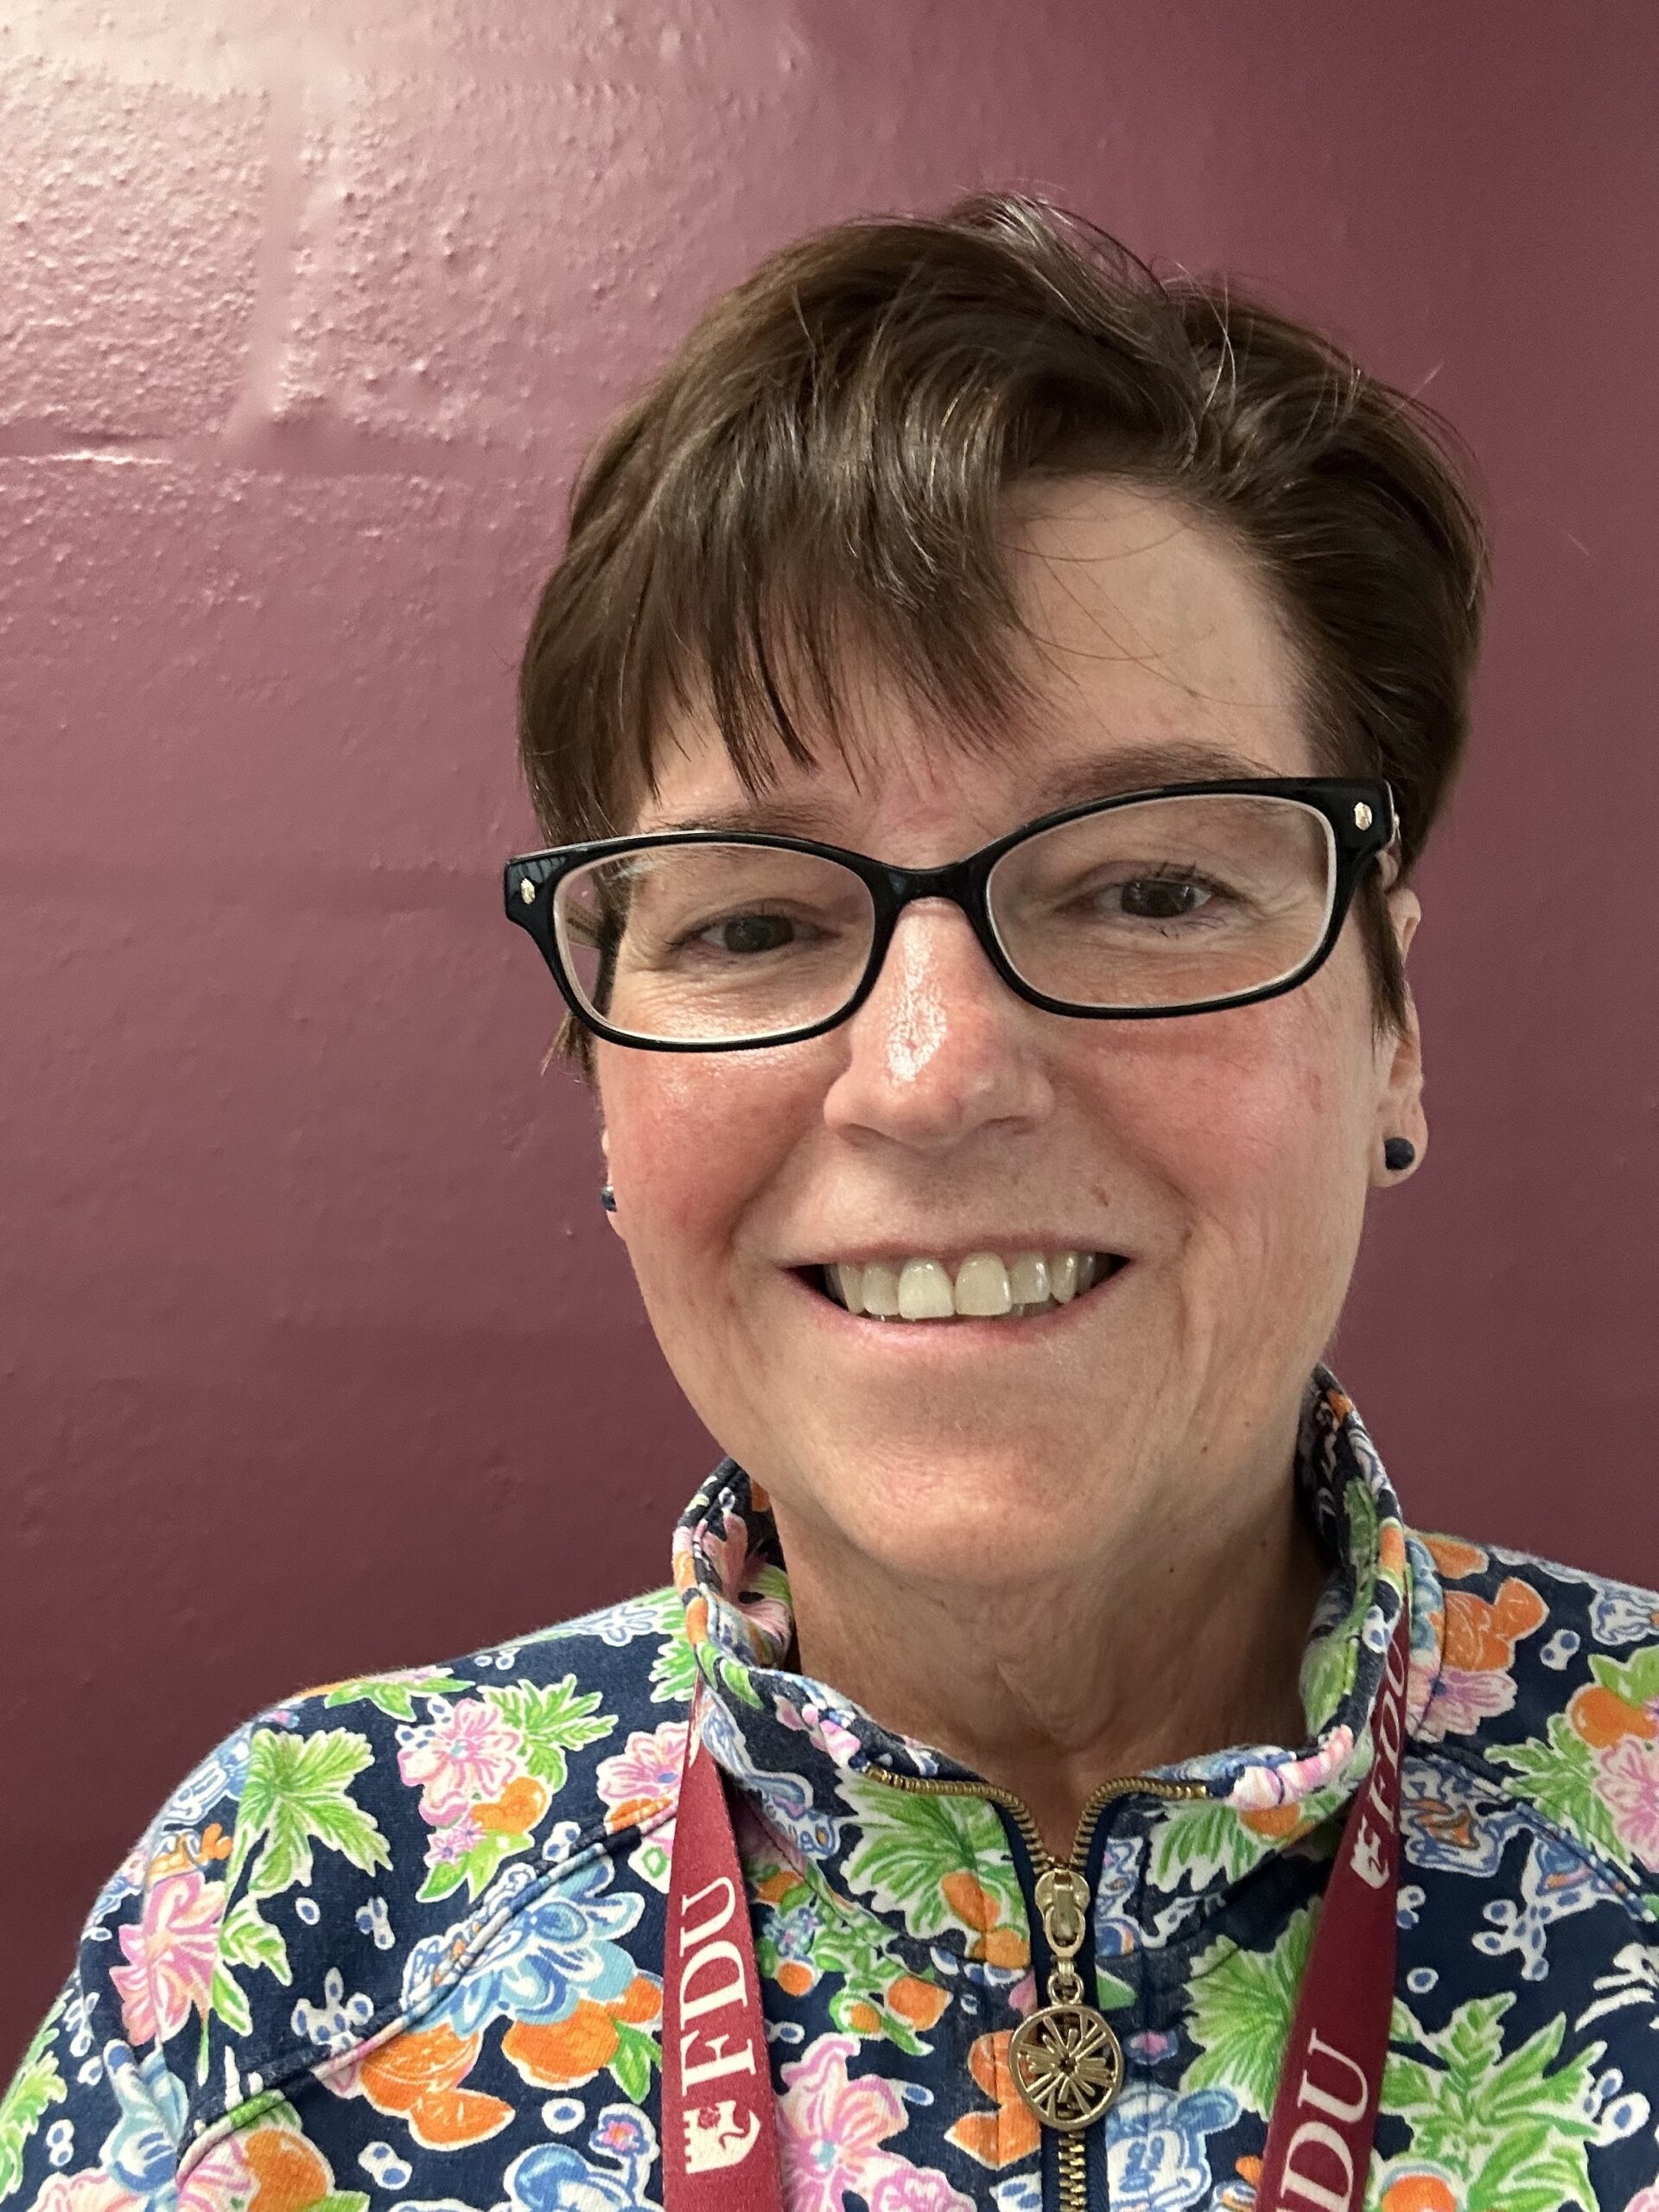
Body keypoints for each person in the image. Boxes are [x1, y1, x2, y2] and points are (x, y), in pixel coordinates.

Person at [6, 194, 1657, 2212]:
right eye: (761, 919)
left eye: (1152, 889)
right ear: (608, 1087)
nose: (936, 1068)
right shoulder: (285, 1917)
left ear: (1391, 1026)